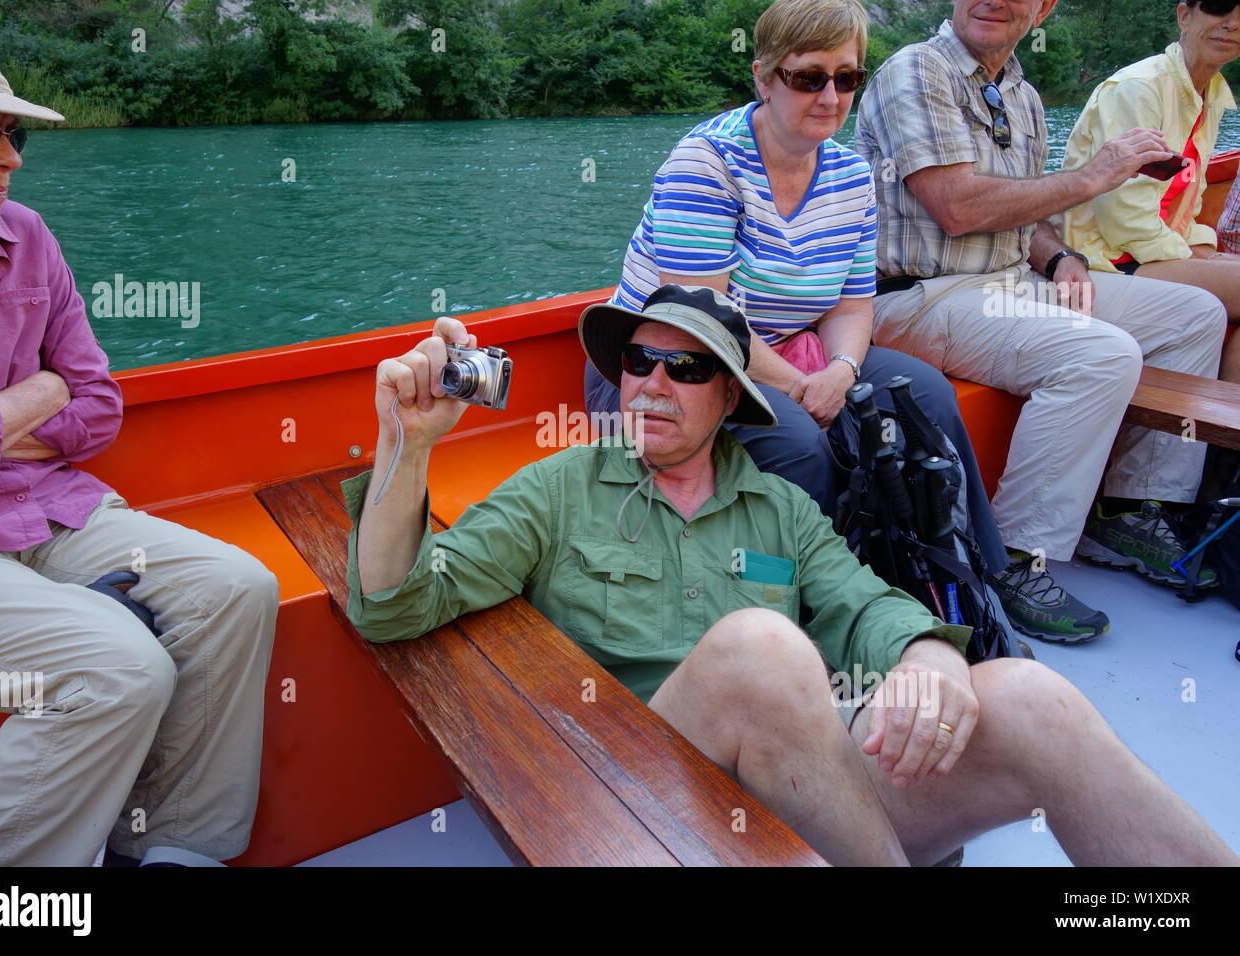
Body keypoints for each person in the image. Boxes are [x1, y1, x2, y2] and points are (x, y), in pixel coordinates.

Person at [344, 284, 1238, 867]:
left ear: (730, 397)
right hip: (639, 803)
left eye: (685, 366)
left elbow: (864, 603)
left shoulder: (781, 508)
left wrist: (928, 654)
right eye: (636, 361)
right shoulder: (558, 486)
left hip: (803, 797)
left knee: (1034, 700)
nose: (650, 383)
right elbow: (392, 605)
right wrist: (407, 448)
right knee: (762, 650)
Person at [0, 24, 278, 867]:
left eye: (14, 135)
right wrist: (26, 399)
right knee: (121, 667)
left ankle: (171, 847)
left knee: (239, 586)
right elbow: (51, 398)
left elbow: (96, 408)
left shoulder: (27, 238)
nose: (10, 157)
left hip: (46, 508)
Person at [582, 0, 1008, 577]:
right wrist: (804, 389)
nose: (830, 98)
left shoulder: (852, 176)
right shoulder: (707, 163)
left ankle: (973, 574)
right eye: (809, 78)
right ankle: (798, 605)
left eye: (847, 78)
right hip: (663, 363)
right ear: (763, 77)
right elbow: (702, 320)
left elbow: (853, 305)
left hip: (784, 351)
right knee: (801, 442)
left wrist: (842, 373)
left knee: (926, 395)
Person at [855, 0, 1228, 644]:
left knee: (1194, 313)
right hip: (920, 294)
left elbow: (1024, 217)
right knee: (1099, 353)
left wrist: (1060, 258)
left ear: (1044, 7)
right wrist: (1095, 176)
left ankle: (1127, 510)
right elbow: (957, 206)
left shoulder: (1021, 94)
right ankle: (1015, 563)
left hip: (1010, 282)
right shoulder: (917, 72)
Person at [1061, 0, 1240, 384]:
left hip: (1148, 250)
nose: (1232, 24)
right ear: (1184, 16)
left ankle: (1223, 435)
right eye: (1218, 8)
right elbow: (1122, 219)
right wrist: (1201, 262)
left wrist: (1204, 252)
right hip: (1104, 258)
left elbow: (1188, 203)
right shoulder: (1140, 88)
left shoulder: (1210, 95)